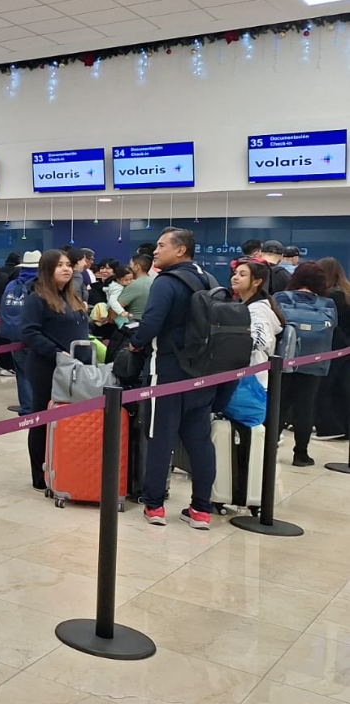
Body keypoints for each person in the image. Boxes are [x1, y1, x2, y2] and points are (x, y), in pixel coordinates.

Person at [131, 226, 219, 529]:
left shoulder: (166, 281)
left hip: (166, 370)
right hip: (203, 373)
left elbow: (151, 322)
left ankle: (154, 506)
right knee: (200, 442)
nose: (155, 251)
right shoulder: (208, 280)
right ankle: (201, 510)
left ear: (180, 250)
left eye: (161, 245)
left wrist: (135, 342)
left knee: (160, 438)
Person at [20, 249, 89, 491]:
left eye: (68, 264)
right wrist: (58, 353)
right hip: (46, 367)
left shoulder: (72, 297)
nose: (66, 269)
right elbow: (29, 332)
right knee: (43, 418)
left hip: (75, 369)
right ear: (47, 269)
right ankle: (39, 475)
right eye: (59, 265)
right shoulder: (36, 298)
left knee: (68, 418)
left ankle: (62, 467)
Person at [275, 261, 338, 467]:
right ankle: (301, 453)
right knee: (306, 407)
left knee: (279, 405)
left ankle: (269, 446)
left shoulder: (281, 298)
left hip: (284, 360)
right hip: (315, 363)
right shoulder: (327, 303)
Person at [313, 256, 350, 441]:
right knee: (343, 388)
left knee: (325, 388)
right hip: (345, 349)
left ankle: (329, 427)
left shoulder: (330, 297)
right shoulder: (345, 292)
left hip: (334, 348)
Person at [231, 260, 284, 387]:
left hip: (253, 380)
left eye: (242, 274)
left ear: (257, 282)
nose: (235, 277)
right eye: (235, 273)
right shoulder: (248, 305)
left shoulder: (257, 310)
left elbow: (260, 343)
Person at [0, 250, 40, 414]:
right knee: (40, 373)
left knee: (22, 373)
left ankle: (26, 408)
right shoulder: (41, 285)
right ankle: (39, 408)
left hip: (14, 334)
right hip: (36, 336)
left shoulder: (12, 284)